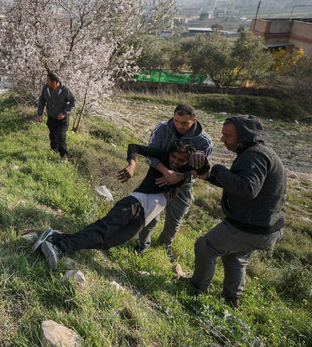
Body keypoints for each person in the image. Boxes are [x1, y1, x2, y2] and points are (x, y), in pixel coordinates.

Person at [33, 141, 208, 267]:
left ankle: (55, 237)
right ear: (169, 153)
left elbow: (206, 170)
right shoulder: (162, 157)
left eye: (181, 160)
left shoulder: (186, 170)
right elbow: (135, 147)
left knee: (108, 242)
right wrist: (132, 165)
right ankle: (59, 249)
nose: (175, 161)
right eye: (174, 157)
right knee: (102, 230)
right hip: (134, 203)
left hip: (144, 217)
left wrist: (185, 172)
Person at [182, 115, 286, 308]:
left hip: (251, 227)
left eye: (227, 135)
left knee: (205, 247)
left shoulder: (254, 156)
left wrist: (219, 170)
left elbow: (247, 189)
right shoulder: (259, 152)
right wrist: (210, 176)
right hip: (268, 228)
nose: (222, 139)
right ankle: (232, 299)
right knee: (235, 256)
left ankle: (196, 288)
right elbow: (239, 183)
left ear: (243, 136)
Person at [135, 104, 213, 256]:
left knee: (175, 219)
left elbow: (201, 169)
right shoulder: (162, 129)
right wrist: (165, 172)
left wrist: (181, 176)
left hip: (184, 184)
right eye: (176, 121)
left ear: (194, 121)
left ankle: (165, 246)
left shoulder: (204, 141)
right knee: (150, 213)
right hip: (158, 177)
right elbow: (150, 154)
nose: (179, 126)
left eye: (184, 123)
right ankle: (142, 245)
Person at [37, 72, 76, 160]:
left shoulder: (65, 90)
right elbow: (42, 101)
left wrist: (64, 112)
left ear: (54, 82)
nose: (47, 83)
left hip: (62, 118)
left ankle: (64, 156)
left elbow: (73, 101)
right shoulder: (45, 88)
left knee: (61, 136)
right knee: (53, 135)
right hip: (51, 117)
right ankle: (54, 150)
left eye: (48, 81)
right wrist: (40, 114)